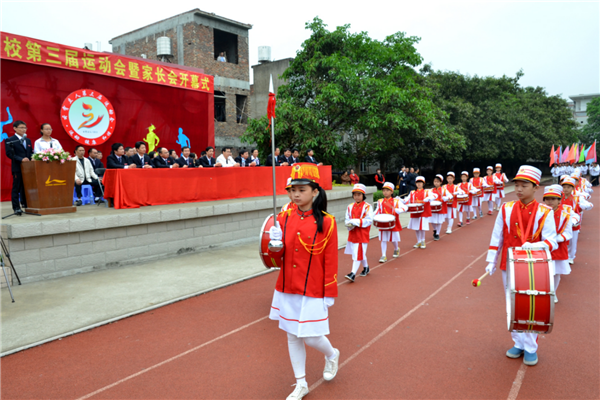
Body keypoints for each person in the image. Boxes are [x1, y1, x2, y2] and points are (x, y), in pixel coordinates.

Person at [268, 163, 340, 400]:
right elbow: (276, 259)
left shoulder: (327, 222)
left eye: (301, 189)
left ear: (315, 191)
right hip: (288, 285)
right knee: (291, 335)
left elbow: (330, 259)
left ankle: (331, 354)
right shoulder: (283, 218)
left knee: (309, 335)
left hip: (313, 288)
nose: (295, 195)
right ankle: (301, 383)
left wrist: (329, 292)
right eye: (292, 190)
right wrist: (274, 244)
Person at [484, 165, 557, 367]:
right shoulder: (506, 208)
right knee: (513, 305)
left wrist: (535, 244)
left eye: (524, 185)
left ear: (535, 188)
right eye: (516, 185)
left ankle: (531, 347)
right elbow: (497, 236)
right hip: (509, 264)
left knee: (531, 306)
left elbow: (553, 241)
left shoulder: (545, 212)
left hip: (534, 267)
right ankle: (517, 342)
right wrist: (491, 260)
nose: (518, 189)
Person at [542, 185, 576, 304]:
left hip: (558, 247)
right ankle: (544, 292)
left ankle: (553, 292)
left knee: (556, 272)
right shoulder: (540, 212)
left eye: (553, 199)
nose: (550, 201)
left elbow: (568, 233)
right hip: (543, 247)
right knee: (543, 272)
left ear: (559, 200)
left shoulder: (565, 214)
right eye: (547, 198)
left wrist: (554, 240)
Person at [344, 184, 373, 282]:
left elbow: (369, 220)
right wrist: (349, 224)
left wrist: (355, 222)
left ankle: (352, 274)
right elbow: (347, 219)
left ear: (363, 195)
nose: (356, 196)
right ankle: (366, 267)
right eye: (355, 194)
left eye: (359, 194)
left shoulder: (367, 206)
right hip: (352, 233)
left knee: (357, 253)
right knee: (359, 252)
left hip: (362, 234)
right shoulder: (350, 206)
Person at [560, 176, 593, 264]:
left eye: (568, 187)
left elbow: (589, 205)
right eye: (564, 187)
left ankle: (571, 257)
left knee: (572, 241)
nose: (566, 189)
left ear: (573, 188)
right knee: (562, 240)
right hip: (561, 223)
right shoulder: (559, 198)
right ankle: (563, 256)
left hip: (573, 223)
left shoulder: (577, 198)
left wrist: (584, 206)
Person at [4, 120, 33, 214]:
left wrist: (33, 157)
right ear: (15, 128)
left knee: (26, 187)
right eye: (21, 127)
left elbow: (30, 152)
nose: (24, 129)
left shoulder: (28, 140)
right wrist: (21, 159)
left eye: (25, 127)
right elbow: (9, 154)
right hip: (17, 167)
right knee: (16, 188)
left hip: (28, 168)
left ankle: (26, 204)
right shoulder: (10, 140)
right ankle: (16, 207)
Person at [375, 182, 407, 262]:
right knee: (383, 239)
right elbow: (377, 211)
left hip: (393, 223)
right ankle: (383, 255)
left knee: (393, 239)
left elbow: (405, 207)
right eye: (384, 190)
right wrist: (371, 216)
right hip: (382, 222)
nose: (385, 192)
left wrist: (398, 210)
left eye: (387, 190)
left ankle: (396, 248)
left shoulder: (396, 201)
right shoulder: (380, 201)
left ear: (392, 192)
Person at [402, 176, 436, 249]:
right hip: (415, 211)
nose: (419, 184)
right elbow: (406, 200)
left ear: (423, 183)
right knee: (416, 227)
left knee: (422, 227)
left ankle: (423, 240)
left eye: (420, 183)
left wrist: (429, 198)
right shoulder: (412, 192)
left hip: (424, 212)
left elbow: (435, 195)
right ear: (415, 184)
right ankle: (418, 241)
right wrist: (400, 200)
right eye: (418, 183)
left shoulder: (427, 191)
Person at [429, 174, 451, 240]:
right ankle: (435, 229)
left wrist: (446, 198)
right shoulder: (431, 190)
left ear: (441, 182)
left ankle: (437, 234)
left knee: (439, 221)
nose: (436, 183)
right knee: (432, 221)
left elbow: (450, 196)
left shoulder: (444, 190)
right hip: (433, 208)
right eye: (435, 181)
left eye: (438, 182)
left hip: (441, 207)